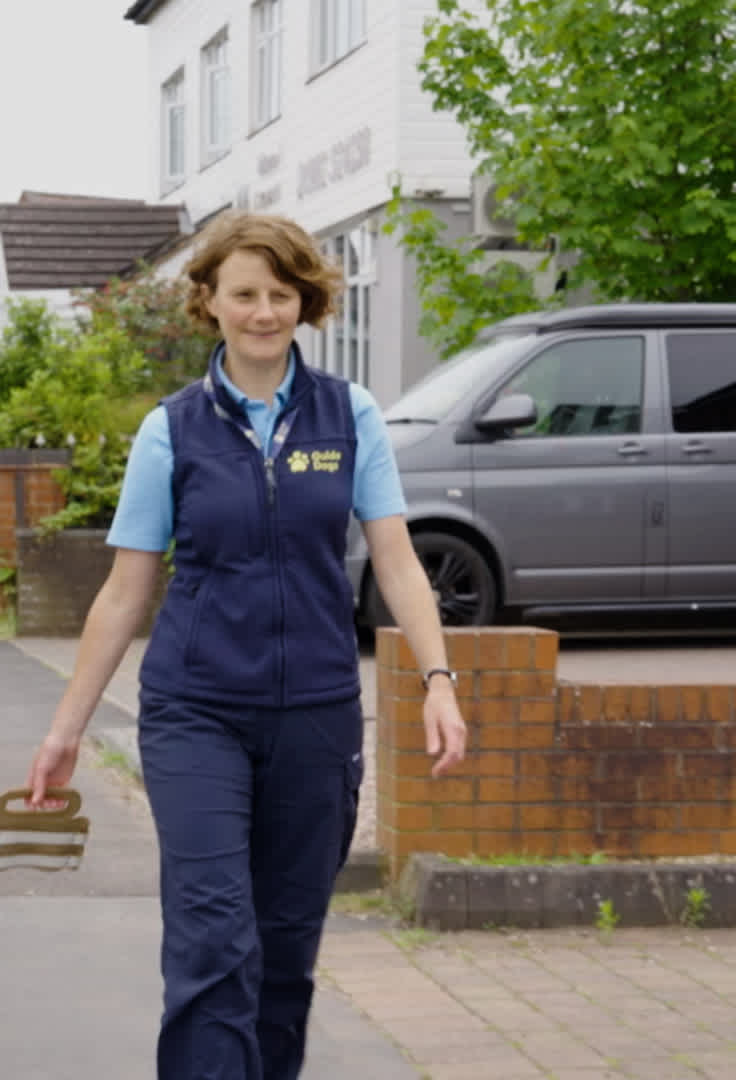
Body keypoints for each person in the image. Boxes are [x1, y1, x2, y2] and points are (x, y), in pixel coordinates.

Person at [25, 213, 468, 1080]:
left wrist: (440, 681)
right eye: (244, 294)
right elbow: (125, 590)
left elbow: (398, 561)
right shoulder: (173, 429)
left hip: (315, 715)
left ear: (304, 301)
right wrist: (66, 728)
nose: (263, 311)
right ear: (210, 302)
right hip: (196, 714)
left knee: (284, 955)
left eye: (280, 293)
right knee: (212, 941)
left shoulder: (351, 415)